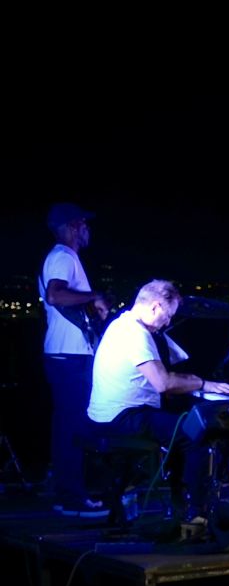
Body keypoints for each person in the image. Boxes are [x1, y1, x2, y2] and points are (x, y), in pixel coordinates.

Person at [86, 280, 229, 514]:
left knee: (181, 422)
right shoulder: (135, 334)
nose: (167, 322)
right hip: (122, 418)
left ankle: (180, 502)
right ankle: (197, 511)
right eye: (167, 316)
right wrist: (204, 384)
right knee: (196, 435)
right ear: (155, 306)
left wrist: (193, 382)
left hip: (112, 414)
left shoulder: (122, 324)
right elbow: (163, 384)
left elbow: (161, 377)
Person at [40, 203, 112, 516]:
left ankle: (72, 491)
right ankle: (70, 497)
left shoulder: (66, 258)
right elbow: (55, 295)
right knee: (71, 427)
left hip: (69, 354)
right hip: (68, 356)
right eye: (84, 224)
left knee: (72, 425)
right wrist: (95, 296)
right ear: (72, 226)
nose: (87, 229)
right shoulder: (63, 256)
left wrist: (93, 308)